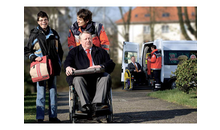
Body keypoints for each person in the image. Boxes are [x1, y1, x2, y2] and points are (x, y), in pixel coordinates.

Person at [24, 11, 63, 122]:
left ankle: (53, 117)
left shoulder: (54, 33)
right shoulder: (34, 34)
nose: (43, 22)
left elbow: (59, 50)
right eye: (41, 20)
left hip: (53, 66)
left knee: (53, 92)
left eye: (45, 19)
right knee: (41, 92)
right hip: (41, 68)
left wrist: (59, 63)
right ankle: (40, 118)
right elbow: (26, 50)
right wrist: (33, 57)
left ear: (48, 20)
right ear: (38, 21)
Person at [64, 31, 115, 115]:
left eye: (89, 38)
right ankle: (86, 106)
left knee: (106, 76)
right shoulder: (74, 52)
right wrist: (68, 67)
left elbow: (111, 64)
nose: (88, 40)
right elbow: (67, 62)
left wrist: (101, 66)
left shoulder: (100, 51)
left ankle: (98, 104)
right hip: (82, 81)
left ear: (92, 39)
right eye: (85, 39)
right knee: (77, 79)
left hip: (98, 81)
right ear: (80, 41)